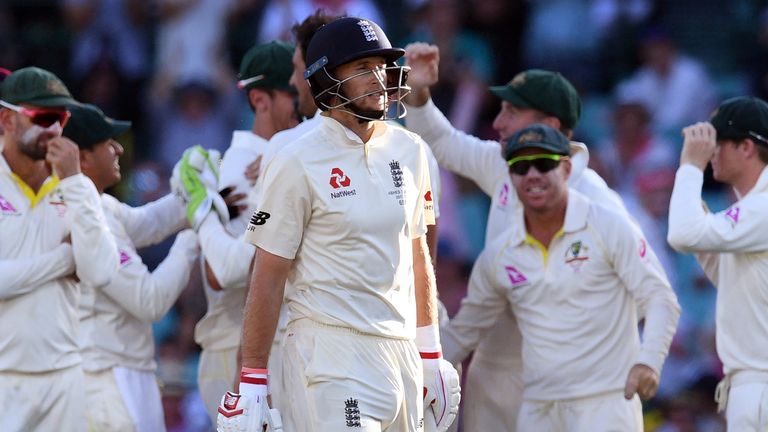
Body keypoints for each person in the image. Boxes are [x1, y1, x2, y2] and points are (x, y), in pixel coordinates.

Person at [217, 17, 460, 432]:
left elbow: (418, 257)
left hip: (399, 350)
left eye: (382, 67)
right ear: (327, 78)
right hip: (329, 352)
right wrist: (253, 378)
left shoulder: (411, 150)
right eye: (362, 69)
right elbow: (268, 275)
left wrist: (430, 351)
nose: (379, 79)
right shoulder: (295, 159)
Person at [403, 44, 632, 430]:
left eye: (512, 112)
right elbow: (441, 142)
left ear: (552, 127)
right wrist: (420, 95)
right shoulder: (502, 166)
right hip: (492, 373)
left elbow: (639, 290)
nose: (498, 123)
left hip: (562, 381)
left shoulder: (597, 202)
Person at [455, 123, 679, 431]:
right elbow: (464, 332)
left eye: (544, 164)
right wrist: (414, 363)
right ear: (510, 176)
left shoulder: (608, 226)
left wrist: (648, 360)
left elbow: (660, 297)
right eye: (521, 166)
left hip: (606, 403)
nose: (532, 174)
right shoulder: (499, 254)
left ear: (567, 168)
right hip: (537, 409)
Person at [63, 103, 200, 431]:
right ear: (81, 158)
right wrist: (197, 234)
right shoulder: (83, 218)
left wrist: (197, 190)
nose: (119, 149)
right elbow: (148, 301)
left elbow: (149, 222)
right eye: (108, 143)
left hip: (126, 372)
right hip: (106, 379)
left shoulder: (100, 205)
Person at [0, 66, 118, 431]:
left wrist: (76, 182)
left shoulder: (75, 188)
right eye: (43, 116)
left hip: (66, 373)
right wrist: (65, 258)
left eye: (61, 118)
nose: (54, 130)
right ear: (7, 120)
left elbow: (102, 272)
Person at [194, 39, 299, 423]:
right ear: (259, 100)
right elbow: (218, 274)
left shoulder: (285, 156)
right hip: (236, 352)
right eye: (292, 93)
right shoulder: (240, 169)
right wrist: (201, 214)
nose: (303, 104)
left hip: (271, 347)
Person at [667, 96, 768, 431]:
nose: (709, 152)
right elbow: (732, 282)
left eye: (718, 143)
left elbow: (681, 236)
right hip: (751, 385)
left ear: (747, 147)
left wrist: (689, 167)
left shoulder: (764, 206)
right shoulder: (755, 208)